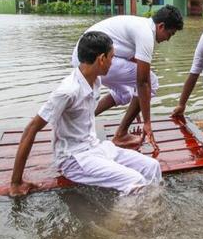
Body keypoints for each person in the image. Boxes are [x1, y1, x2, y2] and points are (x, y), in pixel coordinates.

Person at [9, 32, 162, 197]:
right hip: (74, 159)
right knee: (135, 181)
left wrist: (137, 108)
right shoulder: (67, 91)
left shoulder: (96, 80)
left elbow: (126, 92)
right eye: (112, 57)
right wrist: (16, 182)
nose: (113, 62)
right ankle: (118, 222)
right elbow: (32, 128)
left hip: (95, 147)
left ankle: (153, 210)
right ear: (101, 59)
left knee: (152, 166)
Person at [73, 5, 184, 148]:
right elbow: (143, 82)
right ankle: (121, 134)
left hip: (83, 57)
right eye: (170, 34)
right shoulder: (146, 34)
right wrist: (147, 122)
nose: (168, 39)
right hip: (93, 59)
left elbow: (134, 67)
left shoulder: (141, 25)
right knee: (153, 81)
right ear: (161, 26)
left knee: (125, 93)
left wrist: (136, 106)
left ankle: (82, 121)